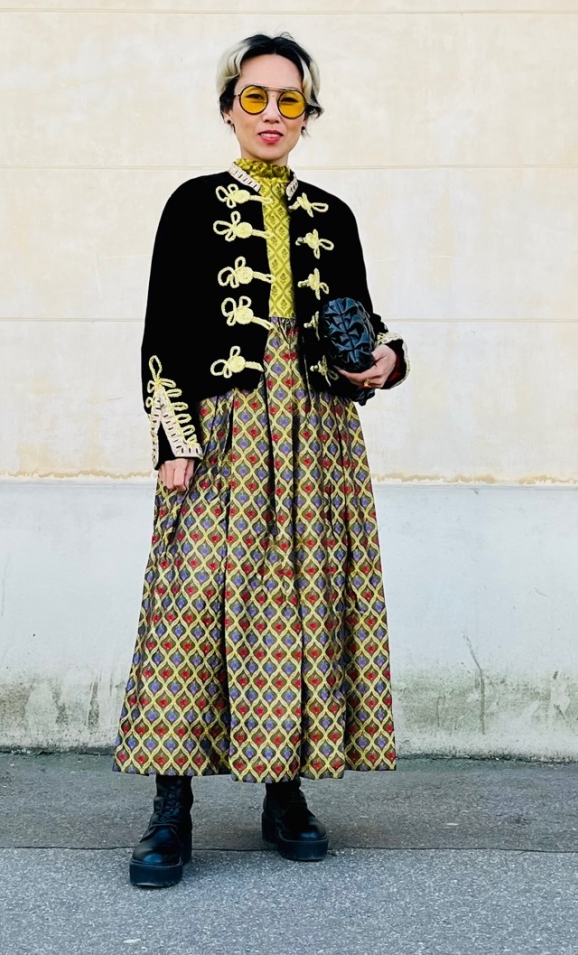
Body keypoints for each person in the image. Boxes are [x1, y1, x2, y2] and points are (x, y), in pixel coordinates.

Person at [113, 32, 409, 888]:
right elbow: (162, 332)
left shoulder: (334, 215)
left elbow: (361, 326)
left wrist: (386, 360)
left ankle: (285, 795)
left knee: (304, 601)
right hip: (224, 426)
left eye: (289, 100)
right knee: (190, 605)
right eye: (254, 97)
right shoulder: (190, 205)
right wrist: (174, 440)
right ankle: (171, 808)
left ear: (308, 114)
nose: (271, 114)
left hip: (316, 427)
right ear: (228, 108)